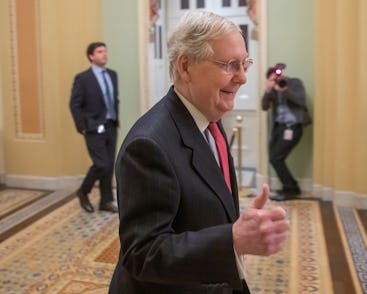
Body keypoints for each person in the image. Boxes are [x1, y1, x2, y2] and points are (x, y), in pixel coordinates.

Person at [109, 11, 289, 294]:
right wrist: (233, 239)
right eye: (230, 65)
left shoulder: (210, 121)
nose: (242, 77)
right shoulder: (147, 145)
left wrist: (238, 229)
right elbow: (143, 254)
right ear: (186, 66)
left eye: (244, 63)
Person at [69, 42, 119, 213]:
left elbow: (113, 100)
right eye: (100, 52)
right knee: (102, 164)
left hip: (111, 126)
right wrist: (82, 126)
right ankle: (83, 191)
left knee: (109, 165)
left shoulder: (112, 75)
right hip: (93, 128)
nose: (104, 54)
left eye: (105, 51)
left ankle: (106, 201)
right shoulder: (82, 78)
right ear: (91, 56)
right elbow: (75, 104)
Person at [262, 64, 311, 201]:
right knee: (274, 157)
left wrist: (284, 90)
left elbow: (301, 102)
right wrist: (268, 90)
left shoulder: (294, 83)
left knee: (276, 158)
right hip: (279, 128)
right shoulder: (272, 90)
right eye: (272, 79)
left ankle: (291, 189)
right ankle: (291, 186)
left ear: (281, 74)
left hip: (293, 128)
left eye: (277, 77)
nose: (276, 80)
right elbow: (264, 107)